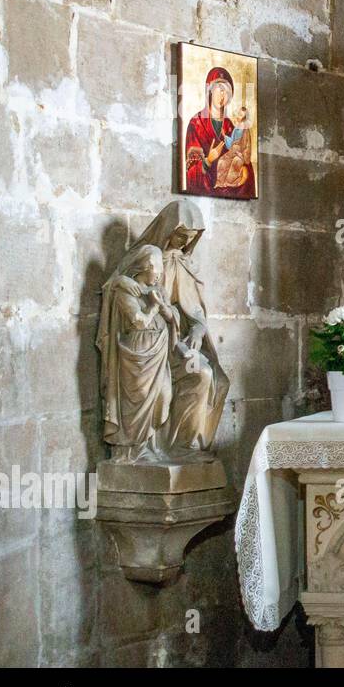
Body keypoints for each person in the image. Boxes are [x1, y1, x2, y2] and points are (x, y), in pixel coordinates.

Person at [133, 201, 226, 457]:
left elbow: (196, 311)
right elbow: (129, 301)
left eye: (190, 239)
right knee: (175, 381)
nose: (185, 243)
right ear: (168, 229)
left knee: (204, 374)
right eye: (181, 236)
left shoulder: (185, 264)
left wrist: (197, 329)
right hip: (152, 348)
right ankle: (154, 447)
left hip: (178, 345)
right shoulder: (146, 260)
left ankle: (186, 445)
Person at [97, 245, 176, 463]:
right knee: (137, 401)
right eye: (155, 271)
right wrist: (152, 307)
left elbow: (170, 316)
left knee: (163, 396)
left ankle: (149, 444)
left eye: (160, 272)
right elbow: (139, 322)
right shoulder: (125, 290)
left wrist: (164, 307)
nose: (158, 276)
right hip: (136, 354)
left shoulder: (157, 290)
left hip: (158, 353)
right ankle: (131, 451)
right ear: (143, 267)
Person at [184, 66, 255, 198]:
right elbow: (190, 173)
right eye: (220, 90)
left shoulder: (230, 126)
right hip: (206, 192)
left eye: (227, 92)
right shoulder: (196, 124)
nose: (223, 96)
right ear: (210, 91)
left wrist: (244, 170)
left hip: (229, 187)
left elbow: (241, 157)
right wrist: (208, 160)